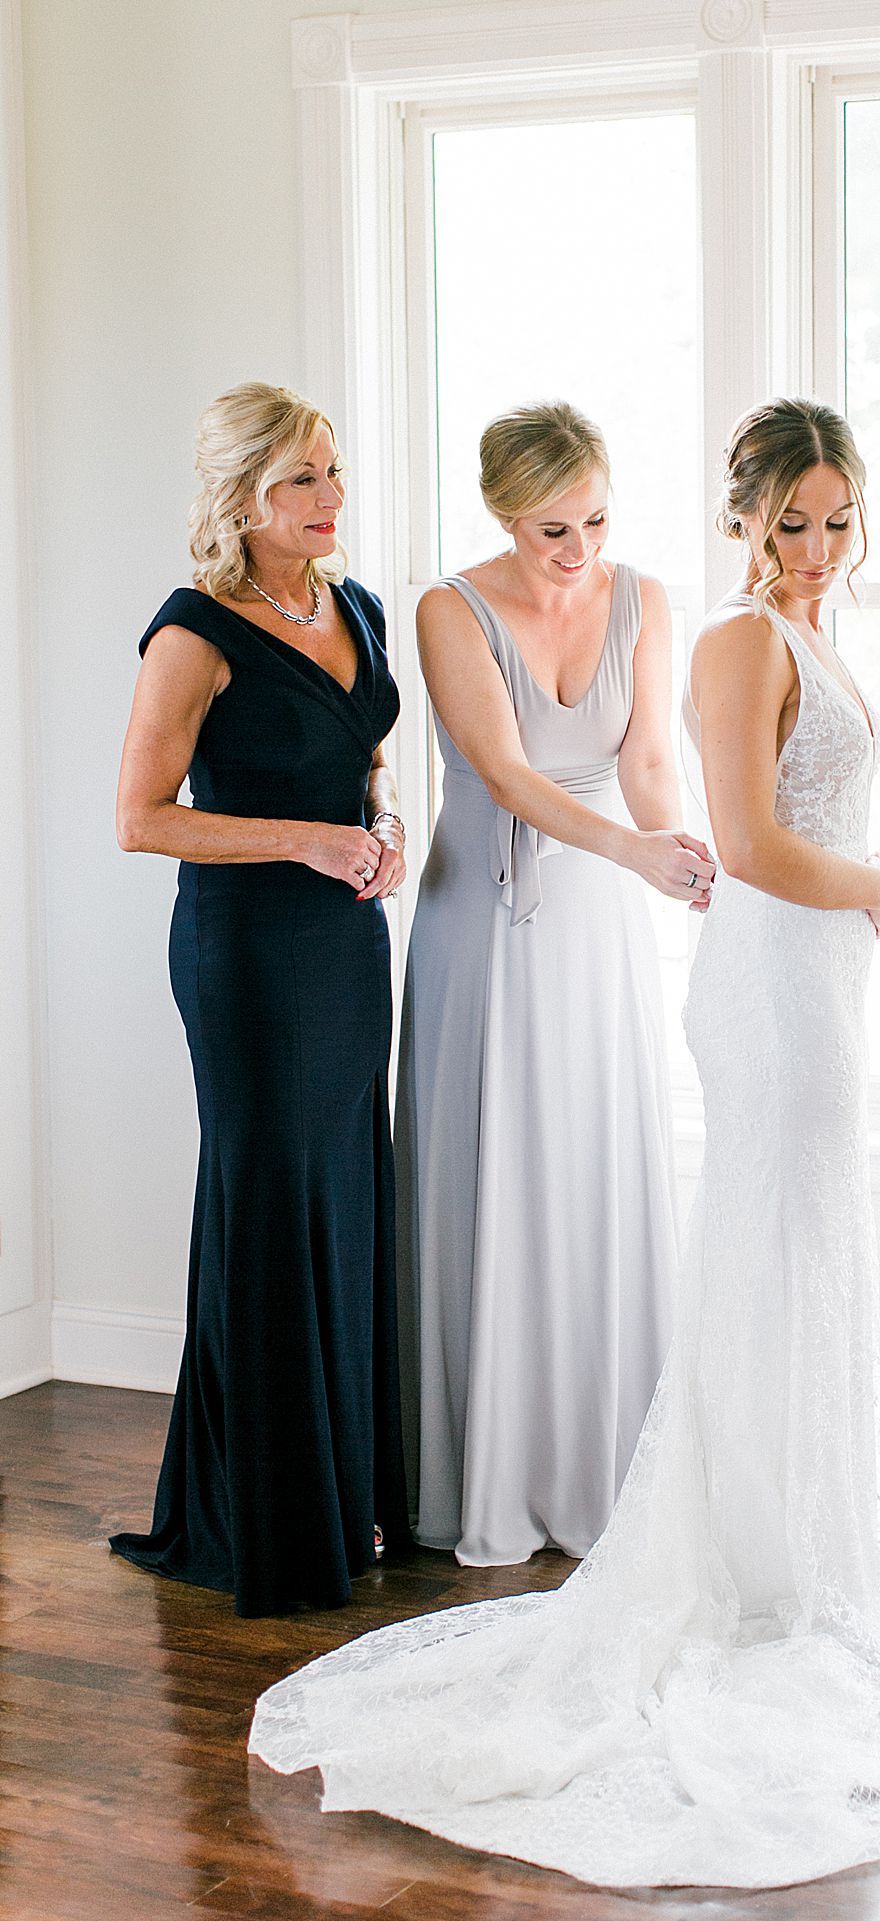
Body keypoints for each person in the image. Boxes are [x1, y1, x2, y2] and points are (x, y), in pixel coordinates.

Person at [250, 398, 880, 1883]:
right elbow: (745, 828)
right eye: (788, 521)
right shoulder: (736, 639)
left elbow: (700, 816)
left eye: (835, 519)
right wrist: (864, 881)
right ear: (743, 516)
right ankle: (746, 1551)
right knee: (765, 1246)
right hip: (742, 958)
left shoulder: (762, 628)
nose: (812, 547)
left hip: (791, 959)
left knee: (803, 1249)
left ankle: (800, 1541)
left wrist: (799, 882)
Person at [395, 401, 714, 1566]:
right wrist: (628, 853)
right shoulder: (448, 609)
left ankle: (601, 1469)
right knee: (496, 1171)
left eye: (592, 520)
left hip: (598, 928)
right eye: (548, 530)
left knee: (592, 1167)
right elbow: (507, 774)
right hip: (483, 918)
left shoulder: (643, 599)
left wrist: (674, 850)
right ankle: (490, 1475)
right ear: (499, 513)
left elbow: (644, 760)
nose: (576, 550)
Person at [110, 382, 410, 1617]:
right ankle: (271, 1524)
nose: (328, 499)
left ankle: (346, 1502)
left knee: (341, 1191)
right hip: (246, 954)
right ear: (239, 496)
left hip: (344, 943)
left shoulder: (359, 604)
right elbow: (140, 821)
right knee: (268, 1203)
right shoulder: (193, 632)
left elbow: (363, 757)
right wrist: (308, 841)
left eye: (331, 472)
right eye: (299, 480)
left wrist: (378, 823)